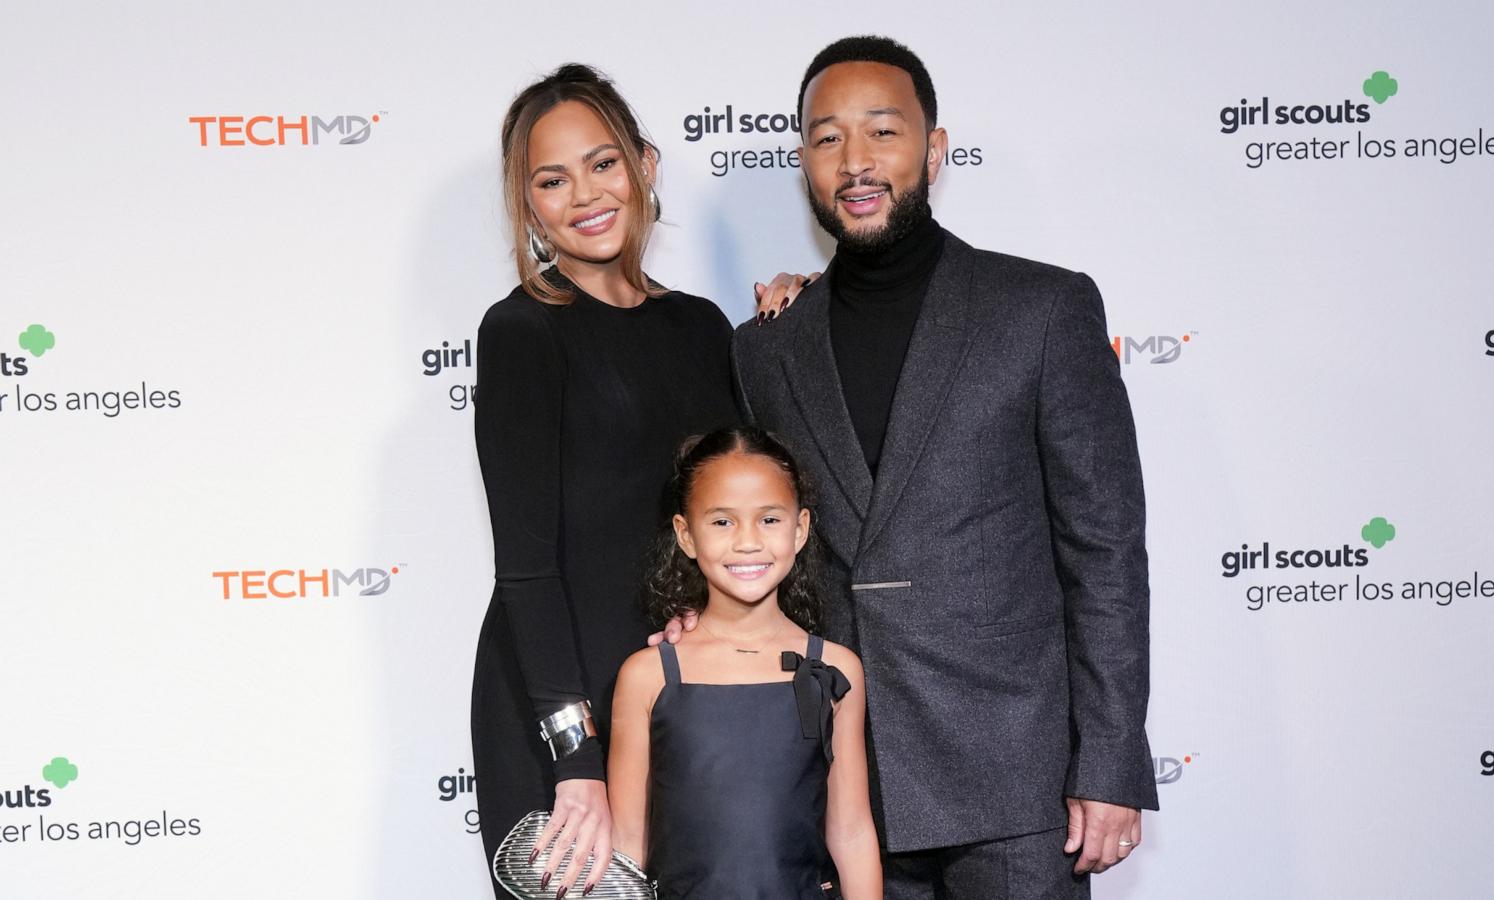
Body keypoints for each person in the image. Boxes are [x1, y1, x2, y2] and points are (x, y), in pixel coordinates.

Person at [725, 36, 1161, 898]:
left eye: (882, 132)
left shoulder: (1040, 308)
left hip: (1020, 783)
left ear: (935, 148)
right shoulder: (768, 351)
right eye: (826, 138)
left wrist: (1110, 759)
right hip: (844, 788)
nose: (855, 162)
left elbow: (1106, 552)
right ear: (804, 162)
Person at [470, 64, 740, 899]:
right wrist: (574, 759)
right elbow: (524, 566)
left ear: (645, 164)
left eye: (603, 163)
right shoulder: (521, 331)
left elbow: (739, 515)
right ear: (527, 205)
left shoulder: (702, 326)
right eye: (551, 179)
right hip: (562, 710)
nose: (584, 193)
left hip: (686, 700)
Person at [608, 426, 881, 899]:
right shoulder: (646, 675)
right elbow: (627, 849)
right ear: (685, 535)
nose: (748, 542)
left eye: (769, 520)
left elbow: (852, 832)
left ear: (800, 529)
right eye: (722, 522)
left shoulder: (836, 670)